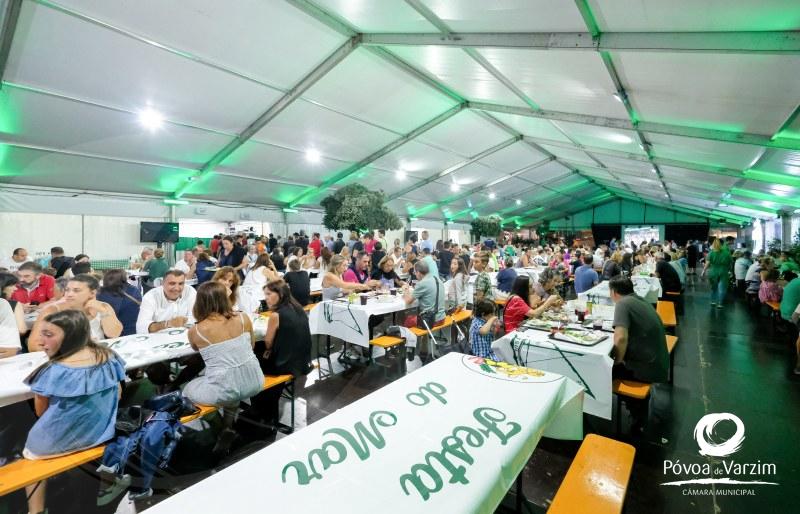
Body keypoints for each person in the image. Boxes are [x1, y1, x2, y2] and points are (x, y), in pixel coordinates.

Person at [21, 309, 126, 514]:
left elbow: (41, 413)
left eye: (49, 335)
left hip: (54, 444)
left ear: (70, 337)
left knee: (29, 454)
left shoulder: (53, 370)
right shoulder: (109, 355)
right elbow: (120, 393)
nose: (41, 341)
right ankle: (108, 482)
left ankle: (35, 511)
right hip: (100, 434)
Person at [183, 281, 263, 453]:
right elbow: (252, 346)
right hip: (255, 380)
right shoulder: (243, 318)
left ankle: (218, 426)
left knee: (187, 389)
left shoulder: (196, 331)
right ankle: (228, 427)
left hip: (227, 387)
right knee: (230, 387)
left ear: (200, 302)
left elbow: (196, 349)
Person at [608, 276, 669, 432]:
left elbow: (621, 338)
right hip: (658, 361)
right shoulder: (639, 300)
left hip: (646, 367)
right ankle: (637, 412)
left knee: (604, 370)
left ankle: (635, 415)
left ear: (614, 292)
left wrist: (618, 361)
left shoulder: (622, 303)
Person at [250, 280, 313, 429]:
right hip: (302, 360)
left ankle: (259, 408)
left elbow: (268, 343)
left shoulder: (276, 316)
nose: (265, 298)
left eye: (269, 294)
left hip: (286, 364)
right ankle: (268, 405)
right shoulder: (298, 308)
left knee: (252, 362)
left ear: (280, 294)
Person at [28, 274, 123, 349]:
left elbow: (114, 334)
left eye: (76, 290)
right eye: (67, 290)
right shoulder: (53, 311)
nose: (69, 294)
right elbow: (34, 345)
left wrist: (103, 311)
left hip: (97, 356)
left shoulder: (102, 306)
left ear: (92, 293)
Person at [403, 260, 446, 336]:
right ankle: (421, 343)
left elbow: (408, 301)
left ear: (419, 272)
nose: (415, 275)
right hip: (442, 317)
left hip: (431, 320)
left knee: (407, 320)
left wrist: (405, 289)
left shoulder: (422, 283)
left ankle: (411, 346)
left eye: (415, 272)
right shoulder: (437, 279)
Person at [97, 269, 142, 336]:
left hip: (112, 333)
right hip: (135, 330)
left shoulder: (100, 294)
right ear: (124, 278)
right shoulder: (134, 290)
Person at [702, 238, 732, 308]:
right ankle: (720, 304)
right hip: (723, 272)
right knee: (722, 289)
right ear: (722, 244)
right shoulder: (727, 253)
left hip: (713, 272)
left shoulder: (711, 253)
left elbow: (707, 264)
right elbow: (730, 263)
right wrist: (730, 271)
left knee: (714, 288)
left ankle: (713, 301)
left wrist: (703, 271)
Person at [0, 272, 27, 337]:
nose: (16, 288)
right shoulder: (14, 304)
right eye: (12, 285)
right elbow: (21, 330)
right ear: (3, 286)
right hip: (7, 343)